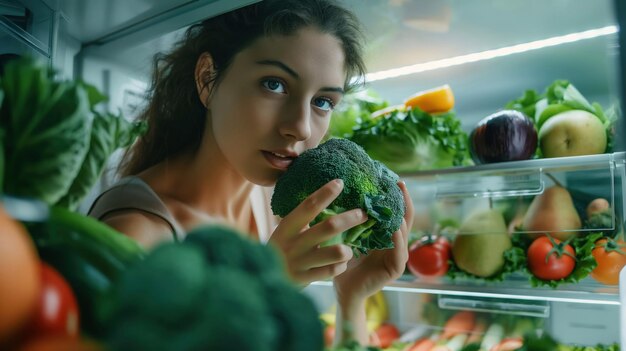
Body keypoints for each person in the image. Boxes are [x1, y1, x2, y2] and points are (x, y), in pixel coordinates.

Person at [88, 0, 414, 345]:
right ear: (207, 79)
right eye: (274, 84)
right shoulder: (137, 237)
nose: (300, 128)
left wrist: (352, 298)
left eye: (323, 101)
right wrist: (268, 284)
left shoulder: (278, 204)